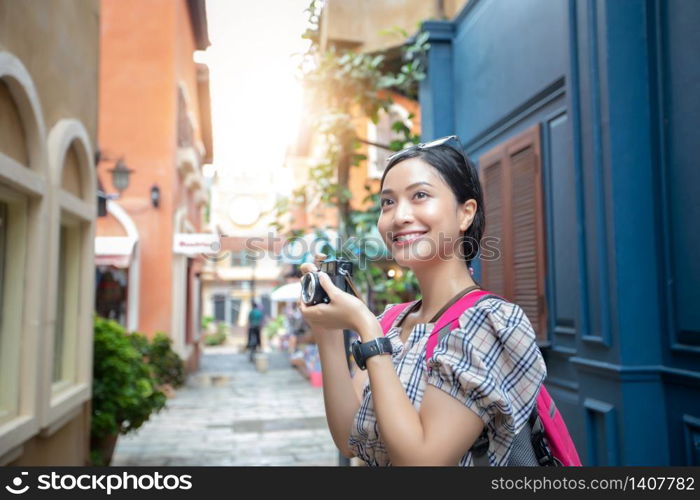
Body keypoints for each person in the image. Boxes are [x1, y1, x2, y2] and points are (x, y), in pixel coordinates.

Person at [299, 136, 547, 466]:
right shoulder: (391, 321)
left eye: (420, 195)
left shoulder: (490, 321)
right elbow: (349, 439)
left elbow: (421, 462)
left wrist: (365, 328)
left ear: (465, 213)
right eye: (387, 202)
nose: (399, 216)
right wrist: (327, 332)